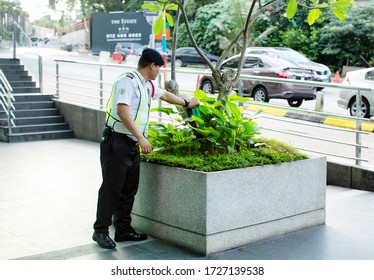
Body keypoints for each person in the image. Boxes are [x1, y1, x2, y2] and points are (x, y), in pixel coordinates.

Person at [93, 48, 199, 249]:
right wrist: (141, 137)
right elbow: (122, 111)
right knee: (111, 189)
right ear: (152, 65)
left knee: (129, 189)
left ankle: (123, 230)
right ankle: (100, 231)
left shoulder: (146, 85)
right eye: (159, 67)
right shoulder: (128, 81)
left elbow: (166, 95)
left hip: (131, 144)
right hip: (116, 142)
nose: (159, 71)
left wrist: (187, 103)